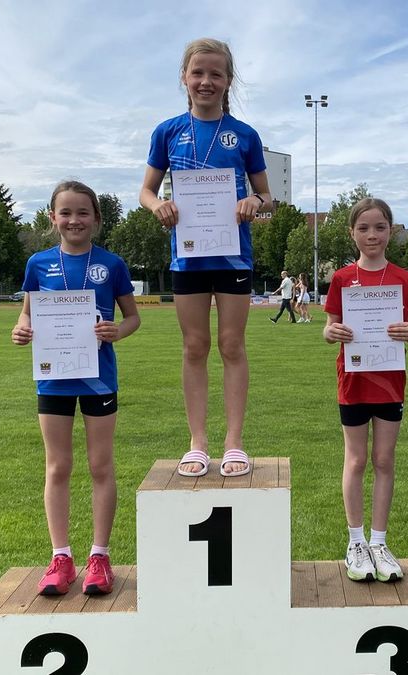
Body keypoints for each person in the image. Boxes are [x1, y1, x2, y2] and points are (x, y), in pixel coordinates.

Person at [139, 37, 272, 478]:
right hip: (189, 257)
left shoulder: (245, 135)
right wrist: (157, 206)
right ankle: (197, 443)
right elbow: (146, 191)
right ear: (184, 77)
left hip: (234, 256)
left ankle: (234, 443)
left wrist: (255, 202)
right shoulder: (167, 131)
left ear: (228, 80)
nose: (206, 81)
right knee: (194, 346)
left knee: (231, 345)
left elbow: (268, 196)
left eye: (216, 74)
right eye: (198, 73)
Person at [11, 181, 140, 596]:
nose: (74, 220)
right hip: (53, 379)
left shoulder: (112, 264)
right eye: (65, 213)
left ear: (96, 219)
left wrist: (117, 330)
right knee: (57, 467)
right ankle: (61, 557)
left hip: (98, 377)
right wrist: (20, 329)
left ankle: (99, 557)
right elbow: (26, 315)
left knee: (101, 466)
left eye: (83, 212)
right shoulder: (37, 263)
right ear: (52, 218)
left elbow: (133, 318)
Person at [323, 197, 408, 584]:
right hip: (354, 381)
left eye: (379, 227)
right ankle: (355, 542)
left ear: (391, 231)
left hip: (389, 381)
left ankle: (379, 543)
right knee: (356, 461)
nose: (372, 235)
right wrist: (332, 332)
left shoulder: (403, 278)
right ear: (352, 233)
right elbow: (329, 328)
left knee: (384, 461)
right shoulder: (342, 279)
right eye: (363, 228)